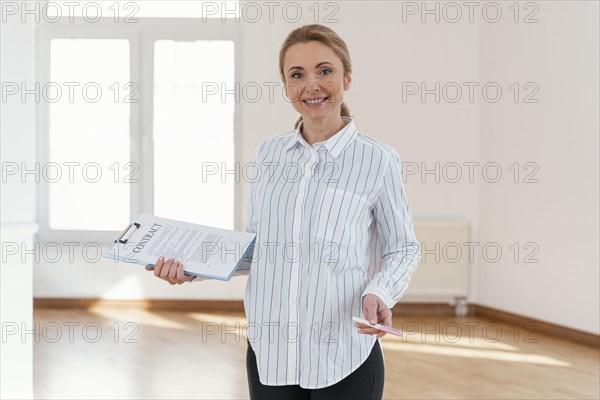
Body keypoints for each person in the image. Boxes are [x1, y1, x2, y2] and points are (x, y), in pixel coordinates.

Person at [145, 24, 420, 400]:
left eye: (325, 71)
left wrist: (381, 292)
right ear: (285, 85)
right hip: (271, 352)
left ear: (347, 77)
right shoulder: (268, 155)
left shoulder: (378, 160)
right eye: (297, 75)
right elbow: (261, 249)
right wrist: (192, 266)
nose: (312, 85)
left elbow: (403, 248)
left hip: (343, 353)